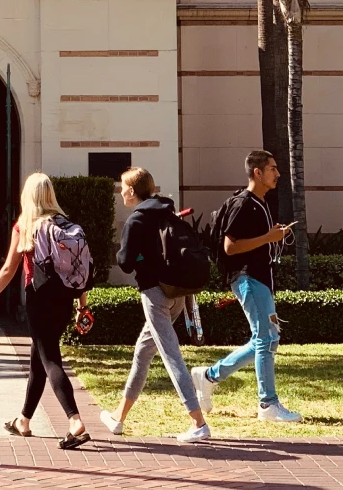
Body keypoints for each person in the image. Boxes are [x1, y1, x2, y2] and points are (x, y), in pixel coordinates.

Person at [0, 172, 91, 450]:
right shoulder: (67, 226)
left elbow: (9, 268)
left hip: (40, 299)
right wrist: (82, 305)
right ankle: (24, 420)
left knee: (50, 358)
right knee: (38, 359)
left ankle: (75, 421)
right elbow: (79, 269)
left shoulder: (25, 226)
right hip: (64, 300)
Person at [99, 167, 211, 443]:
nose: (121, 191)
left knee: (172, 357)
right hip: (176, 294)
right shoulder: (166, 211)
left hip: (154, 294)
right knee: (143, 352)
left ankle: (198, 422)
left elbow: (124, 262)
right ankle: (119, 417)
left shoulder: (137, 219)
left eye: (124, 186)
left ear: (133, 191)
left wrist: (139, 259)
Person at [191, 150, 302, 423]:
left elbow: (257, 239)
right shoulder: (243, 203)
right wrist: (268, 237)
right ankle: (268, 404)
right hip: (248, 278)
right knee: (265, 339)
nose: (277, 174)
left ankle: (208, 376)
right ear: (258, 172)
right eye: (273, 169)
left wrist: (272, 236)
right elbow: (230, 247)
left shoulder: (262, 203)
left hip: (260, 279)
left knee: (267, 339)